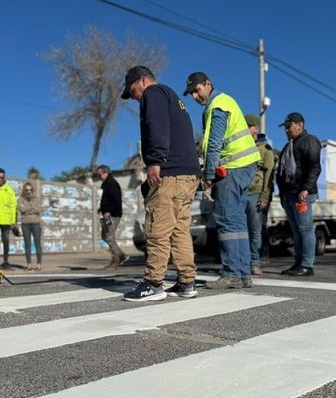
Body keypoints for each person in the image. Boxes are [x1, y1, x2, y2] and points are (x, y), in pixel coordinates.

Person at [120, 65, 201, 302]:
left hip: (170, 172)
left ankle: (154, 283)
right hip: (188, 174)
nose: (134, 97)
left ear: (143, 81)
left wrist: (155, 160)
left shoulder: (153, 94)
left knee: (158, 227)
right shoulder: (173, 97)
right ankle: (187, 281)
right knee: (179, 230)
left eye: (133, 90)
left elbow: (156, 126)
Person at [184, 72, 260, 289]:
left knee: (226, 219)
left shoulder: (218, 104)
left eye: (197, 91)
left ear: (208, 84)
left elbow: (215, 143)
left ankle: (232, 273)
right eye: (191, 94)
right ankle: (243, 273)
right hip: (244, 166)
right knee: (237, 222)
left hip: (233, 167)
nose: (195, 97)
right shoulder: (224, 101)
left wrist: (208, 177)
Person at [276, 112, 322, 277]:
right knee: (296, 231)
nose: (286, 130)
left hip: (302, 194)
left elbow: (314, 167)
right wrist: (282, 194)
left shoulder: (309, 141)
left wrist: (306, 188)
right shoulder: (289, 145)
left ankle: (307, 265)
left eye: (289, 127)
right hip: (289, 194)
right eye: (285, 128)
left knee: (305, 229)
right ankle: (298, 264)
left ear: (300, 125)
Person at [244, 114, 275, 276]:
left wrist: (264, 196)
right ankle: (242, 263)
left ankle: (254, 263)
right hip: (242, 194)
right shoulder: (242, 146)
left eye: (247, 126)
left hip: (256, 194)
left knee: (255, 231)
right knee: (242, 231)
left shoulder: (265, 150)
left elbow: (269, 174)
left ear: (255, 128)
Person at [96, 165, 128, 270]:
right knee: (105, 236)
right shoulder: (107, 184)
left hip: (113, 215)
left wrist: (108, 211)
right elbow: (107, 200)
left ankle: (116, 260)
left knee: (109, 237)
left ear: (106, 173)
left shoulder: (111, 183)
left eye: (100, 174)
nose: (99, 176)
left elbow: (115, 200)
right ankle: (121, 255)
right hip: (108, 215)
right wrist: (102, 209)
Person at [18, 181, 43, 271]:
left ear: (32, 190)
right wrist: (32, 207)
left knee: (37, 244)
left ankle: (39, 264)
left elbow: (39, 209)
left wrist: (27, 209)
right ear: (24, 190)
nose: (29, 191)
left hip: (36, 223)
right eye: (27, 190)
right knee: (27, 244)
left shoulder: (37, 198)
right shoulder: (21, 199)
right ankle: (29, 264)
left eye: (30, 190)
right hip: (25, 224)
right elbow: (21, 209)